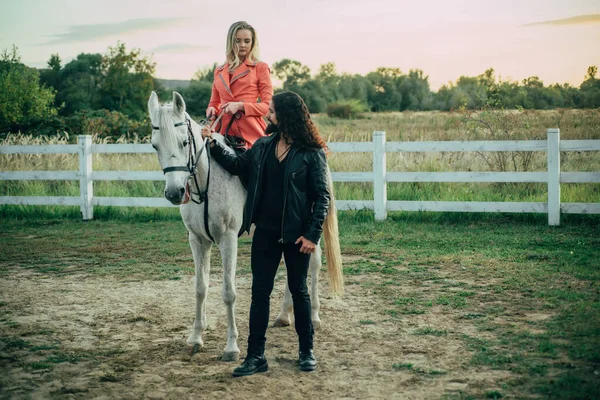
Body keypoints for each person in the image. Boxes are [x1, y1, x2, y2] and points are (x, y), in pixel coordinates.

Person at [201, 91, 330, 377]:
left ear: (286, 116)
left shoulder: (311, 152)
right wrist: (212, 143)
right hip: (266, 234)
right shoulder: (262, 145)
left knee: (299, 292)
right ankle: (255, 357)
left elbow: (322, 197)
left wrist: (312, 235)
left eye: (271, 111)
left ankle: (306, 351)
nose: (266, 115)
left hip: (298, 237)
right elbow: (237, 165)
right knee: (260, 294)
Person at [205, 21, 273, 151]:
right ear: (230, 42)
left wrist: (240, 106)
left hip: (251, 132)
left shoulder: (260, 67)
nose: (242, 45)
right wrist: (211, 110)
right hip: (221, 131)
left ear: (253, 43)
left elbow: (267, 107)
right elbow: (214, 102)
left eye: (247, 41)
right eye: (237, 41)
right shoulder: (218, 71)